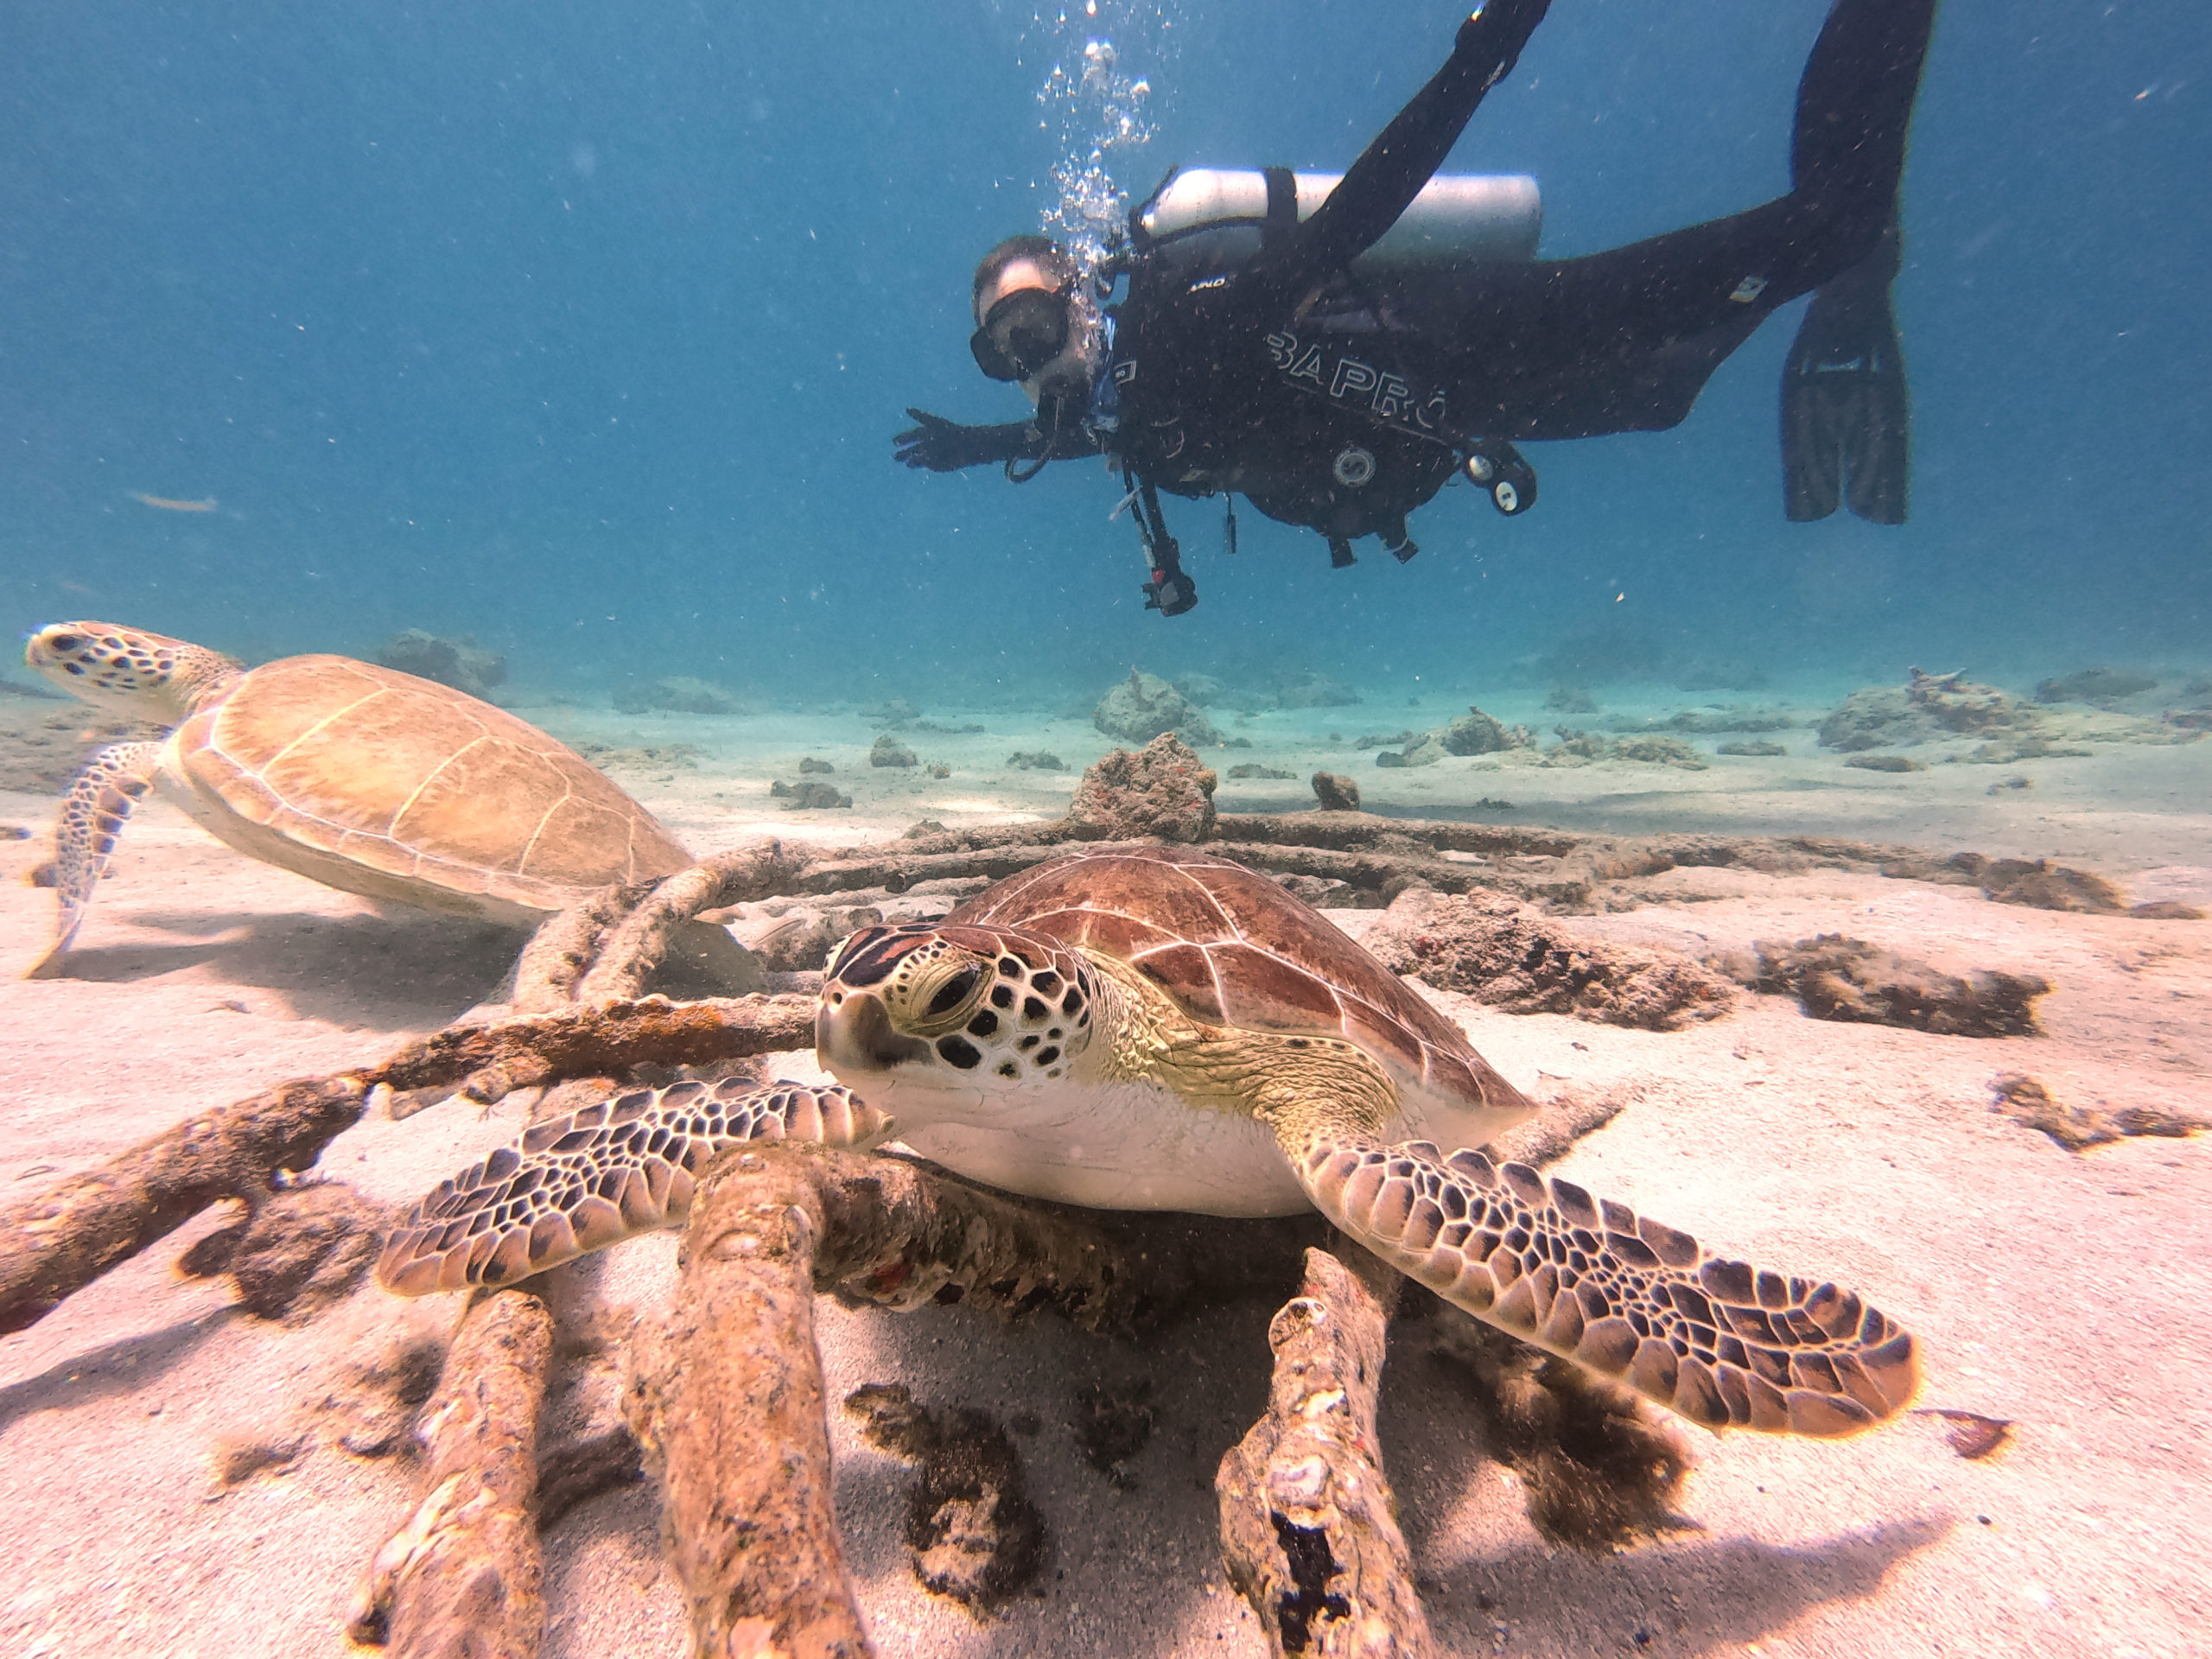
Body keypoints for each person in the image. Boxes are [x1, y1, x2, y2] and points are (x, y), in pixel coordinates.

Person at [894, 0, 1936, 617]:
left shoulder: (1197, 329)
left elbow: (1358, 214)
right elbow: (1100, 434)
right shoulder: (1123, 408)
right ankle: (1837, 272)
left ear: (1083, 305)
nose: (1031, 368)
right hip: (1479, 407)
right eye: (1002, 354)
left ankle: (1850, 255)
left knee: (1831, 224)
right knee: (1668, 392)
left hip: (1493, 333)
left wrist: (1481, 56)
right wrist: (975, 447)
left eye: (1035, 332)